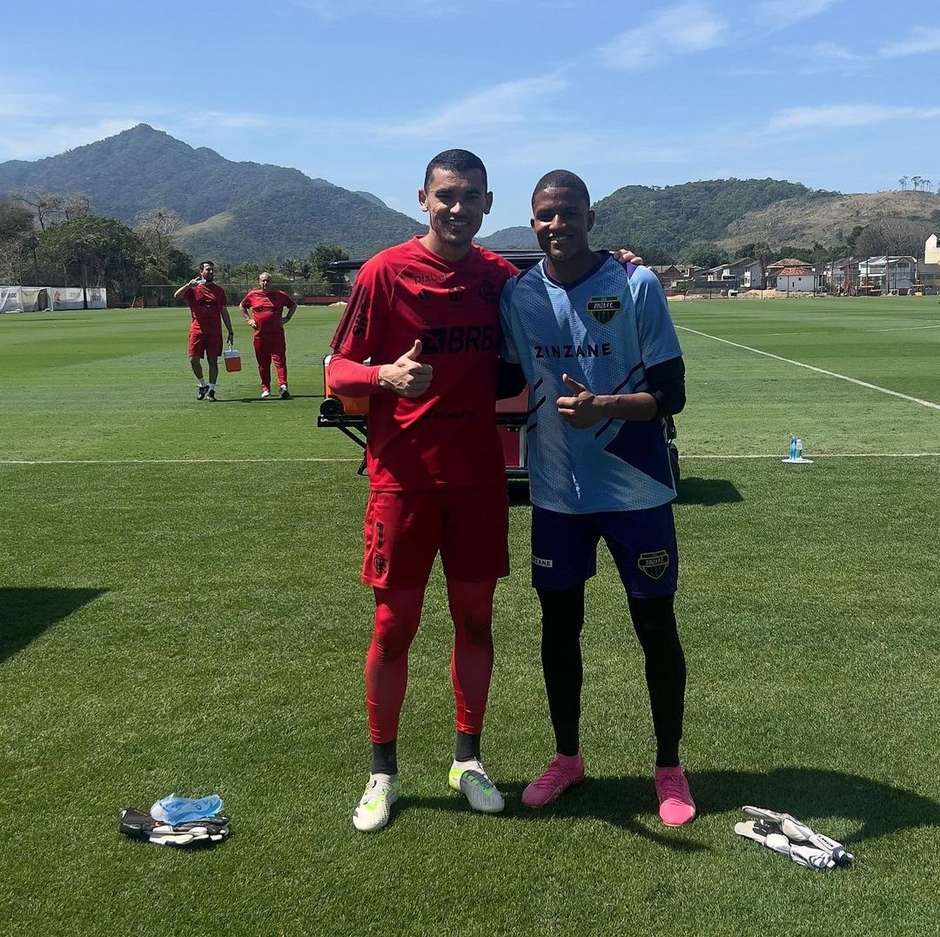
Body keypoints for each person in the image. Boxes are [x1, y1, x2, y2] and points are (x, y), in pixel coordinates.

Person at [327, 150, 519, 832]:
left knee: (475, 620)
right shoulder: (384, 272)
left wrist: (620, 266)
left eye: (470, 196)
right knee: (393, 626)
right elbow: (335, 370)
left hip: (477, 483)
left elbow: (562, 302)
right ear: (422, 198)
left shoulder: (500, 278)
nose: (457, 207)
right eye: (446, 195)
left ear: (488, 204)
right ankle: (382, 770)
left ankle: (468, 759)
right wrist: (382, 378)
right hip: (402, 482)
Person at [500, 170, 695, 827]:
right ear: (532, 222)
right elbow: (498, 372)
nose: (557, 226)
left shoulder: (634, 284)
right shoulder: (517, 295)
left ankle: (668, 766)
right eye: (545, 216)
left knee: (655, 628)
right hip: (556, 491)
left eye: (568, 214)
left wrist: (603, 405)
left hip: (635, 487)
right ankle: (567, 757)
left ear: (590, 216)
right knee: (560, 630)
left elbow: (671, 394)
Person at [174, 261, 234, 401]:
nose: (211, 272)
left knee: (212, 361)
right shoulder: (194, 289)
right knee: (193, 359)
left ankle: (212, 389)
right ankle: (202, 384)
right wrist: (188, 285)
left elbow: (224, 312)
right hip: (197, 330)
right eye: (208, 270)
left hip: (214, 331)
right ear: (201, 272)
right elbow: (176, 296)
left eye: (212, 270)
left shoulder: (219, 291)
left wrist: (230, 331)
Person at [240, 272, 297, 399]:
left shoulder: (280, 295)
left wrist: (287, 317)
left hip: (277, 334)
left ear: (271, 282)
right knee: (263, 363)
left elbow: (293, 305)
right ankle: (266, 388)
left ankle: (283, 386)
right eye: (263, 281)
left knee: (280, 361)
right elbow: (242, 306)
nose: (265, 283)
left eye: (268, 281)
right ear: (259, 282)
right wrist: (248, 319)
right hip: (260, 335)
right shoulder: (253, 295)